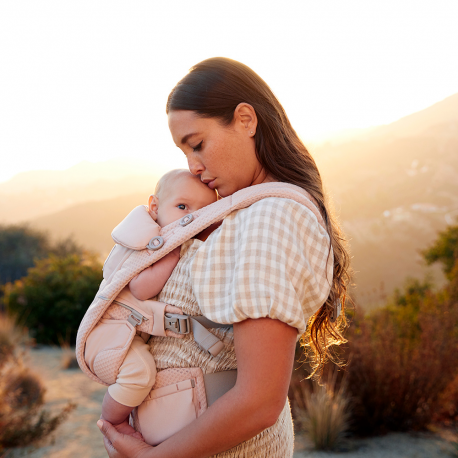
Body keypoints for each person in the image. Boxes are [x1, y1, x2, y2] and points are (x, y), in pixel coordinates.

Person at [97, 57, 350, 458]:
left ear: (246, 120)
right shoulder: (243, 214)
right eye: (184, 153)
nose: (194, 168)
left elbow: (258, 401)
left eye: (198, 145)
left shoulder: (271, 217)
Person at [89, 170, 217, 436]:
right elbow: (141, 287)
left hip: (128, 331)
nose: (190, 217)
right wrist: (174, 253)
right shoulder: (152, 241)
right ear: (155, 206)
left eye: (203, 211)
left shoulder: (164, 233)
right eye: (182, 207)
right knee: (139, 375)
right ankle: (112, 424)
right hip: (109, 331)